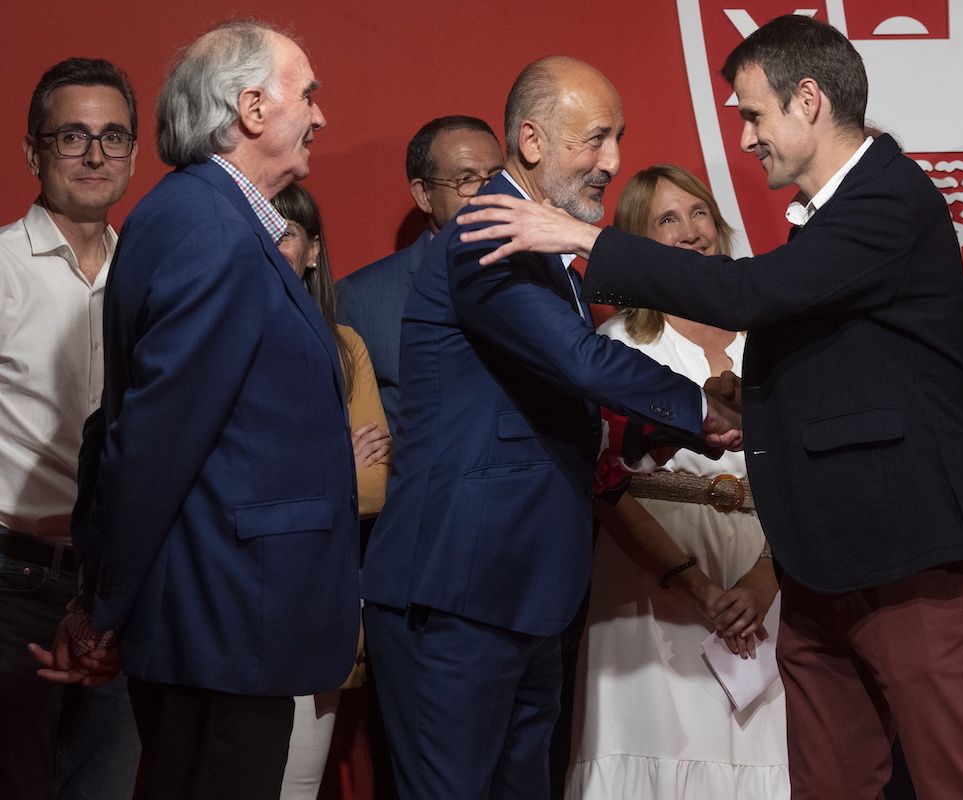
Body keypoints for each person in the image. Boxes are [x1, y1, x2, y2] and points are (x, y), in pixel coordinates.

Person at [459, 15, 963, 799]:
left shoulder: (889, 194)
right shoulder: (831, 218)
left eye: (753, 114)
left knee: (958, 786)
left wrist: (578, 236)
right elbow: (857, 374)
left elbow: (751, 293)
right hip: (823, 569)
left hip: (911, 560)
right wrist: (745, 409)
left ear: (807, 100)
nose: (746, 138)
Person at [360, 56, 740, 800]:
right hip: (460, 591)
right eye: (596, 138)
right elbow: (577, 359)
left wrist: (662, 433)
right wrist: (701, 409)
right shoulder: (487, 228)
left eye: (618, 137)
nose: (614, 161)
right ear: (532, 140)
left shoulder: (542, 244)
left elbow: (544, 405)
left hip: (522, 590)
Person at [35, 21, 361, 800]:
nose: (321, 115)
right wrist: (103, 608)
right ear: (251, 108)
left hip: (233, 619)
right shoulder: (209, 229)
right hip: (225, 620)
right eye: (308, 94)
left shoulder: (213, 219)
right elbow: (150, 440)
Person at [566, 165, 788, 799]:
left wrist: (765, 579)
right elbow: (602, 481)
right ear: (636, 243)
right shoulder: (615, 345)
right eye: (667, 219)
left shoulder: (773, 339)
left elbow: (807, 472)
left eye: (698, 213)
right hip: (647, 582)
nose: (690, 231)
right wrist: (695, 585)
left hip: (766, 572)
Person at [0, 57, 141, 800]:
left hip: (118, 592)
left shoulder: (150, 278)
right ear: (34, 152)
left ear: (133, 154)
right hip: (12, 585)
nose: (94, 154)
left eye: (113, 136)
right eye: (72, 136)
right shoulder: (2, 270)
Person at [271, 182, 391, 800]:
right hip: (228, 606)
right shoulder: (213, 338)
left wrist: (285, 473)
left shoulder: (346, 348)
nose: (269, 247)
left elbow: (372, 488)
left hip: (317, 606)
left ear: (313, 249)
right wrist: (334, 459)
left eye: (285, 233)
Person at [337, 116, 504, 434]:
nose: (487, 194)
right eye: (466, 179)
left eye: (496, 177)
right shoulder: (363, 298)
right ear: (424, 194)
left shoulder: (544, 275)